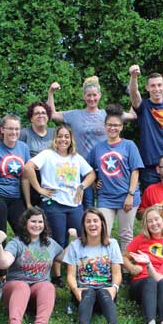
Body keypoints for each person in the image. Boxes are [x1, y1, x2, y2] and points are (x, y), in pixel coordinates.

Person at [24, 125, 96, 287]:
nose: (63, 139)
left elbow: (91, 174)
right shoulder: (47, 155)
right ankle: (56, 275)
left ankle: (80, 270)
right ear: (55, 139)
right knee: (58, 240)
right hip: (54, 204)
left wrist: (82, 186)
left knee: (81, 236)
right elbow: (28, 167)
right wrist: (39, 188)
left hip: (74, 204)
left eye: (66, 137)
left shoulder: (76, 157)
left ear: (71, 140)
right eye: (60, 136)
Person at [47, 77, 136, 208]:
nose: (92, 98)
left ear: (99, 95)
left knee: (105, 204)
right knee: (87, 203)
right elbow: (52, 114)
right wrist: (51, 93)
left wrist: (132, 91)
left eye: (94, 95)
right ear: (83, 96)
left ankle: (104, 225)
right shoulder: (75, 115)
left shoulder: (108, 114)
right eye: (88, 95)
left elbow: (133, 115)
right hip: (83, 167)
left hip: (105, 165)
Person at [0, 207, 64, 324]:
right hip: (15, 292)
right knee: (22, 286)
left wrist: (75, 241)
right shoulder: (17, 243)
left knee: (48, 286)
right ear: (25, 223)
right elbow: (3, 263)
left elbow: (67, 258)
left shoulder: (49, 243)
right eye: (33, 221)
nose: (37, 225)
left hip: (37, 294)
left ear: (44, 224)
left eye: (40, 222)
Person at [63, 209, 124, 324]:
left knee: (104, 291)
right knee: (88, 292)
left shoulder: (112, 244)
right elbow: (71, 275)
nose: (92, 224)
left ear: (102, 224)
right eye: (88, 221)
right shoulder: (75, 246)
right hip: (83, 293)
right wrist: (75, 290)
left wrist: (114, 288)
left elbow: (116, 273)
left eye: (95, 221)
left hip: (107, 293)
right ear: (83, 225)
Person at [88, 104, 144, 252]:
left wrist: (130, 195)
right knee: (102, 231)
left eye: (117, 125)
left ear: (121, 127)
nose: (113, 128)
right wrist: (94, 182)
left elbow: (135, 171)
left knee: (126, 234)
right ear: (105, 126)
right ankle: (104, 266)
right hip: (105, 197)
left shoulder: (129, 145)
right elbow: (88, 169)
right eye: (110, 125)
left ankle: (125, 270)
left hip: (127, 196)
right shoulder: (98, 148)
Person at [123, 206, 163, 324]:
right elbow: (123, 257)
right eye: (149, 221)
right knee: (150, 281)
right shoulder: (140, 239)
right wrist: (131, 268)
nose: (154, 224)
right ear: (145, 224)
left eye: (156, 219)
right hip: (142, 283)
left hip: (162, 282)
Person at [128, 65, 163, 191]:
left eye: (159, 85)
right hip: (149, 166)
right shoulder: (143, 106)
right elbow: (134, 93)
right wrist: (134, 77)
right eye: (152, 86)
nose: (156, 89)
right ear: (147, 88)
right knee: (151, 205)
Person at [19, 102, 55, 207]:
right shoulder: (24, 133)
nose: (41, 115)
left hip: (50, 177)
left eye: (44, 113)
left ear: (48, 117)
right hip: (30, 177)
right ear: (31, 118)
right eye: (37, 113)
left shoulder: (54, 133)